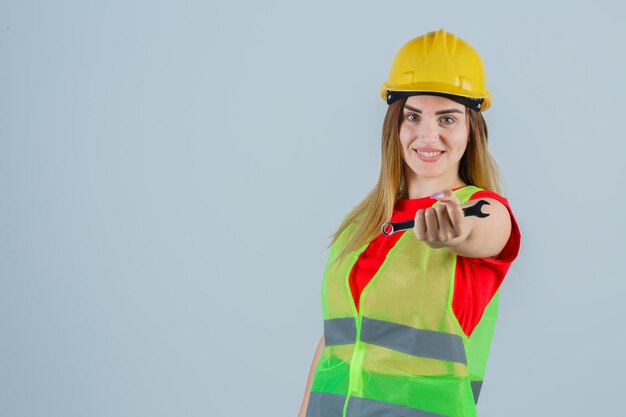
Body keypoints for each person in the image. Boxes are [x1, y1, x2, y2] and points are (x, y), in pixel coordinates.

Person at [297, 28, 521, 417]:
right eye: (412, 117)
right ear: (395, 127)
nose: (426, 134)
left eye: (447, 119)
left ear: (472, 131)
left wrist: (454, 232)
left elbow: (487, 230)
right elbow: (336, 341)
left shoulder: (482, 209)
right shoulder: (364, 222)